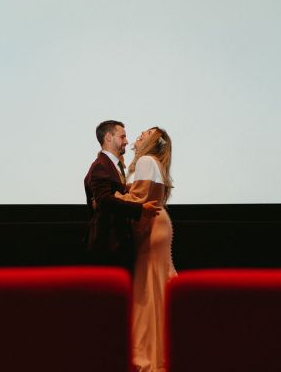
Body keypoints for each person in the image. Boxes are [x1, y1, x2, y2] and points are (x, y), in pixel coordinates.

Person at [114, 127, 177, 372]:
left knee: (148, 287)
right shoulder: (152, 163)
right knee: (154, 285)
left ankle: (149, 357)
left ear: (153, 141)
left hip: (151, 228)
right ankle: (159, 351)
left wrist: (110, 197)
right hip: (155, 225)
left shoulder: (146, 161)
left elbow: (139, 197)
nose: (138, 135)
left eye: (144, 133)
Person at [84, 120, 161, 270]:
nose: (126, 141)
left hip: (116, 243)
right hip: (107, 244)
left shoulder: (112, 165)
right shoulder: (102, 165)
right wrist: (140, 209)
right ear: (108, 137)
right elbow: (104, 201)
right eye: (122, 137)